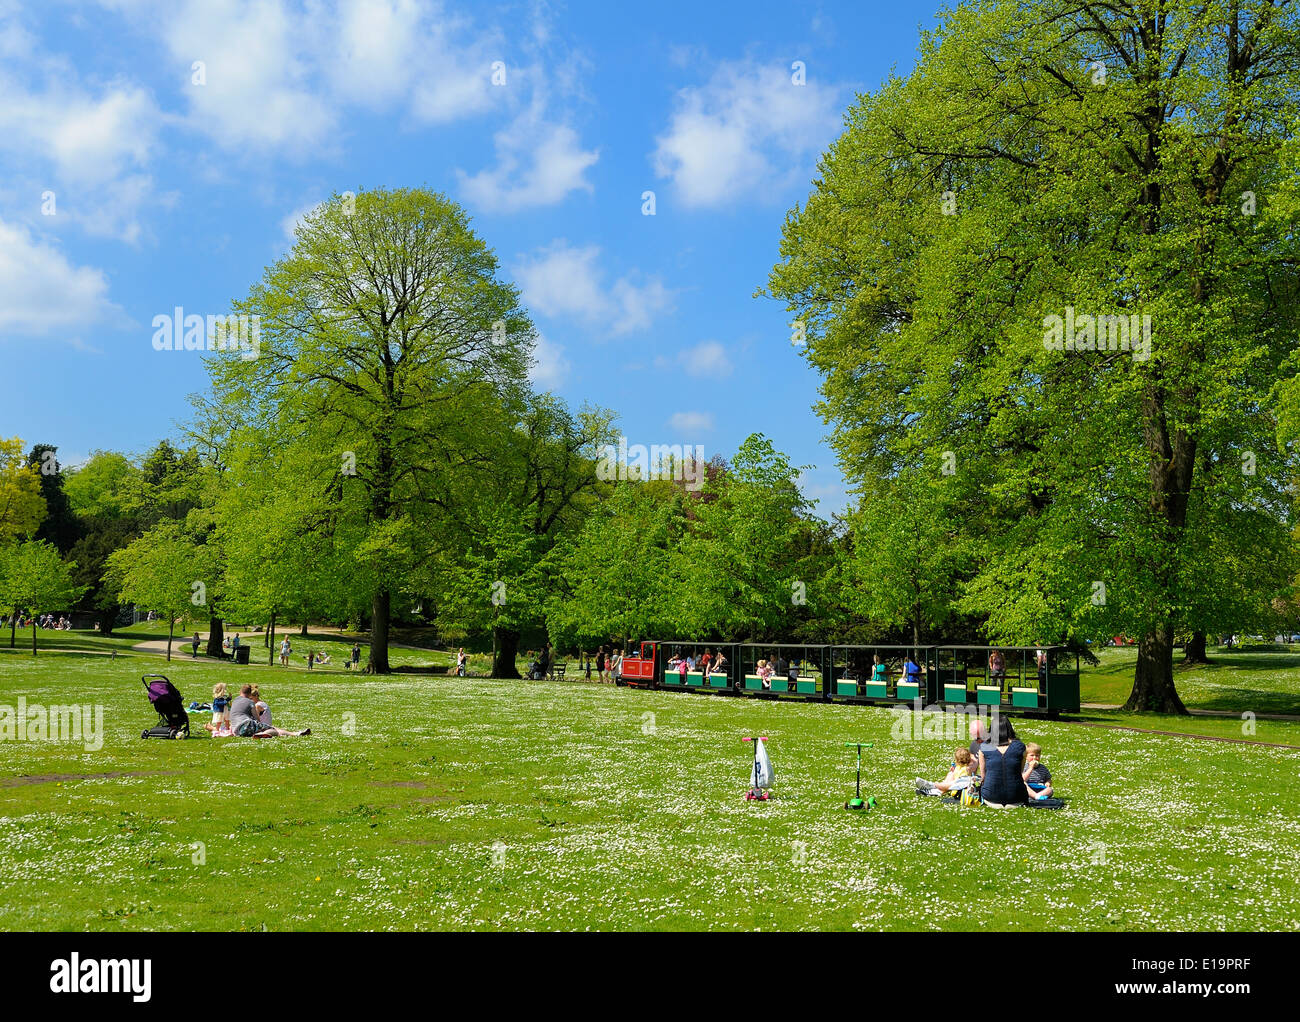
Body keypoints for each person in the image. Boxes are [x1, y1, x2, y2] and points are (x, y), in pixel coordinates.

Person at [977, 715, 1027, 807]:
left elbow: (983, 776)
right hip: (1017, 797)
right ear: (1009, 728)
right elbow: (1019, 772)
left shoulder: (985, 747)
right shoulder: (1020, 747)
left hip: (991, 797)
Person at [230, 684, 309, 738]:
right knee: (274, 730)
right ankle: (294, 734)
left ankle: (259, 733)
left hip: (237, 731)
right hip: (246, 725)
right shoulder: (251, 703)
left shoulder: (234, 701)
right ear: (250, 694)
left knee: (259, 729)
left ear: (240, 692)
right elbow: (257, 719)